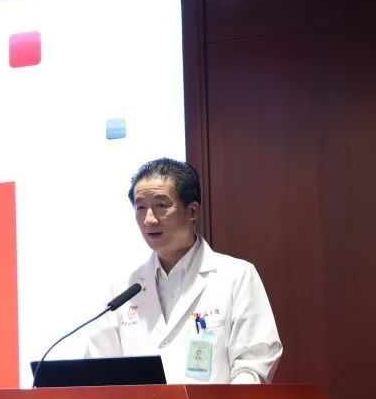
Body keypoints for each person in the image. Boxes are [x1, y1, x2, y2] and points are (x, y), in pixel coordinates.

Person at [85, 158, 282, 383]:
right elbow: (98, 369)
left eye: (161, 205)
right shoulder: (123, 288)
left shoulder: (236, 276)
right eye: (140, 207)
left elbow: (254, 363)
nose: (149, 219)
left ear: (192, 210)